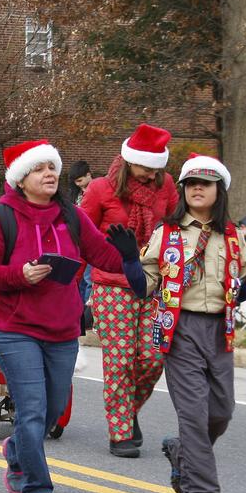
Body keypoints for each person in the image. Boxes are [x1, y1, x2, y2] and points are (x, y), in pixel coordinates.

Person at [108, 154, 246, 493]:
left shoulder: (232, 236)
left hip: (219, 331)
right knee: (194, 414)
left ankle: (181, 452)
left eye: (206, 182)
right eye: (190, 183)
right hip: (180, 330)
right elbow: (145, 288)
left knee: (222, 412)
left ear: (220, 191)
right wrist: (129, 263)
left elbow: (240, 289)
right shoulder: (166, 234)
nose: (197, 188)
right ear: (183, 191)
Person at [0, 140, 138, 493]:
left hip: (62, 329)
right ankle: (37, 488)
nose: (49, 173)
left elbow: (104, 256)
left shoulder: (72, 217)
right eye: (39, 168)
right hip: (14, 329)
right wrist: (21, 274)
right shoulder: (3, 217)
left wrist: (128, 252)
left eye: (52, 167)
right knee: (32, 410)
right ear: (21, 179)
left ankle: (16, 451)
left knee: (53, 409)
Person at [81, 123, 178, 457]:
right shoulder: (99, 189)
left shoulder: (166, 187)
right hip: (112, 284)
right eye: (144, 169)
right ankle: (120, 431)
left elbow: (177, 228)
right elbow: (80, 238)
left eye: (156, 169)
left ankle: (127, 410)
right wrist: (74, 293)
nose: (151, 176)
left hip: (152, 285)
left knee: (153, 358)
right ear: (128, 161)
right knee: (121, 360)